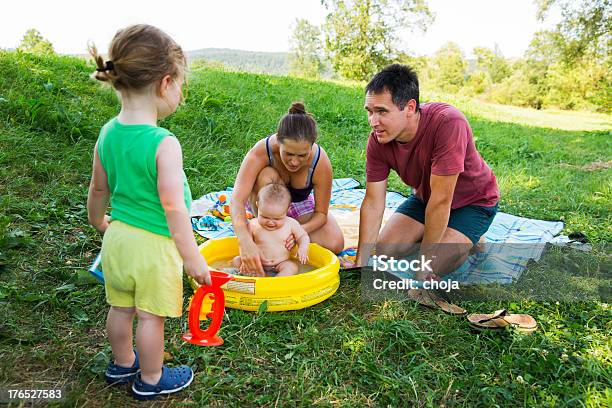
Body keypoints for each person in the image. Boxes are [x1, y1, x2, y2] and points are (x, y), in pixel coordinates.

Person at [86, 24, 210, 400]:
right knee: (151, 317)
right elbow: (173, 209)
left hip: (117, 239)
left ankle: (123, 363)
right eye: (179, 85)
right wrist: (193, 259)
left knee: (120, 308)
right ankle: (152, 379)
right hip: (153, 246)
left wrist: (99, 223)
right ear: (164, 83)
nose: (179, 93)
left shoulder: (108, 132)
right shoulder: (163, 143)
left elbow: (98, 188)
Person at [355, 64, 499, 280]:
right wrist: (361, 263)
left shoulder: (449, 123)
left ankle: (470, 235)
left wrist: (425, 264)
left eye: (382, 112)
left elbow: (441, 201)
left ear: (410, 107)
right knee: (385, 250)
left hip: (474, 203)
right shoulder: (378, 139)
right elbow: (374, 201)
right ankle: (449, 233)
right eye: (370, 112)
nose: (373, 122)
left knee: (434, 264)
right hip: (426, 197)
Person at [230, 102, 344, 276]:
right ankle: (265, 230)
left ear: (311, 146)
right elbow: (237, 200)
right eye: (289, 154)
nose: (295, 162)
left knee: (335, 243)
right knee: (266, 174)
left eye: (302, 155)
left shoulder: (319, 162)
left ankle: (278, 238)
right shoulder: (262, 151)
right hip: (266, 205)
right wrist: (245, 241)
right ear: (278, 141)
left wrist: (297, 233)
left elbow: (321, 214)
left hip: (299, 205)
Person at [233, 183, 310, 276]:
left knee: (291, 267)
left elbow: (303, 236)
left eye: (277, 218)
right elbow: (244, 243)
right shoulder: (253, 224)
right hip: (257, 264)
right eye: (265, 217)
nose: (270, 222)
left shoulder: (291, 224)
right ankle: (246, 275)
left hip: (281, 263)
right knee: (236, 260)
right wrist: (246, 261)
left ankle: (276, 282)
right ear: (258, 206)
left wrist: (303, 248)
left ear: (287, 209)